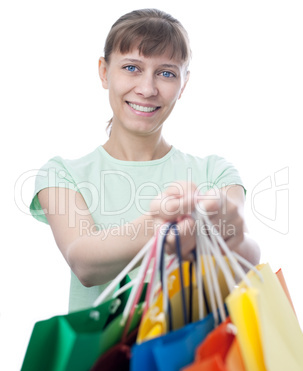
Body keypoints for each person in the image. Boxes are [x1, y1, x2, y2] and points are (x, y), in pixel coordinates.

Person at [30, 8, 260, 312]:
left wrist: (226, 229)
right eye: (131, 68)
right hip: (102, 359)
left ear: (184, 84)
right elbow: (84, 263)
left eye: (166, 73)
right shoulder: (61, 174)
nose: (148, 89)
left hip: (193, 357)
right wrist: (160, 224)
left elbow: (245, 258)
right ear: (103, 71)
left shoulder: (215, 173)